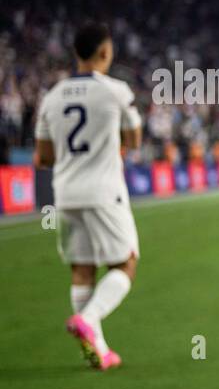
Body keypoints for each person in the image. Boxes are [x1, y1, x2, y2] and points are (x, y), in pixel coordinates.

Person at [34, 23, 142, 370]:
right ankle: (89, 318)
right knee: (126, 261)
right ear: (105, 52)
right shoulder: (115, 91)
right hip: (104, 191)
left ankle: (97, 350)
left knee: (82, 269)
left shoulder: (52, 97)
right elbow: (135, 140)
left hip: (65, 193)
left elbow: (44, 157)